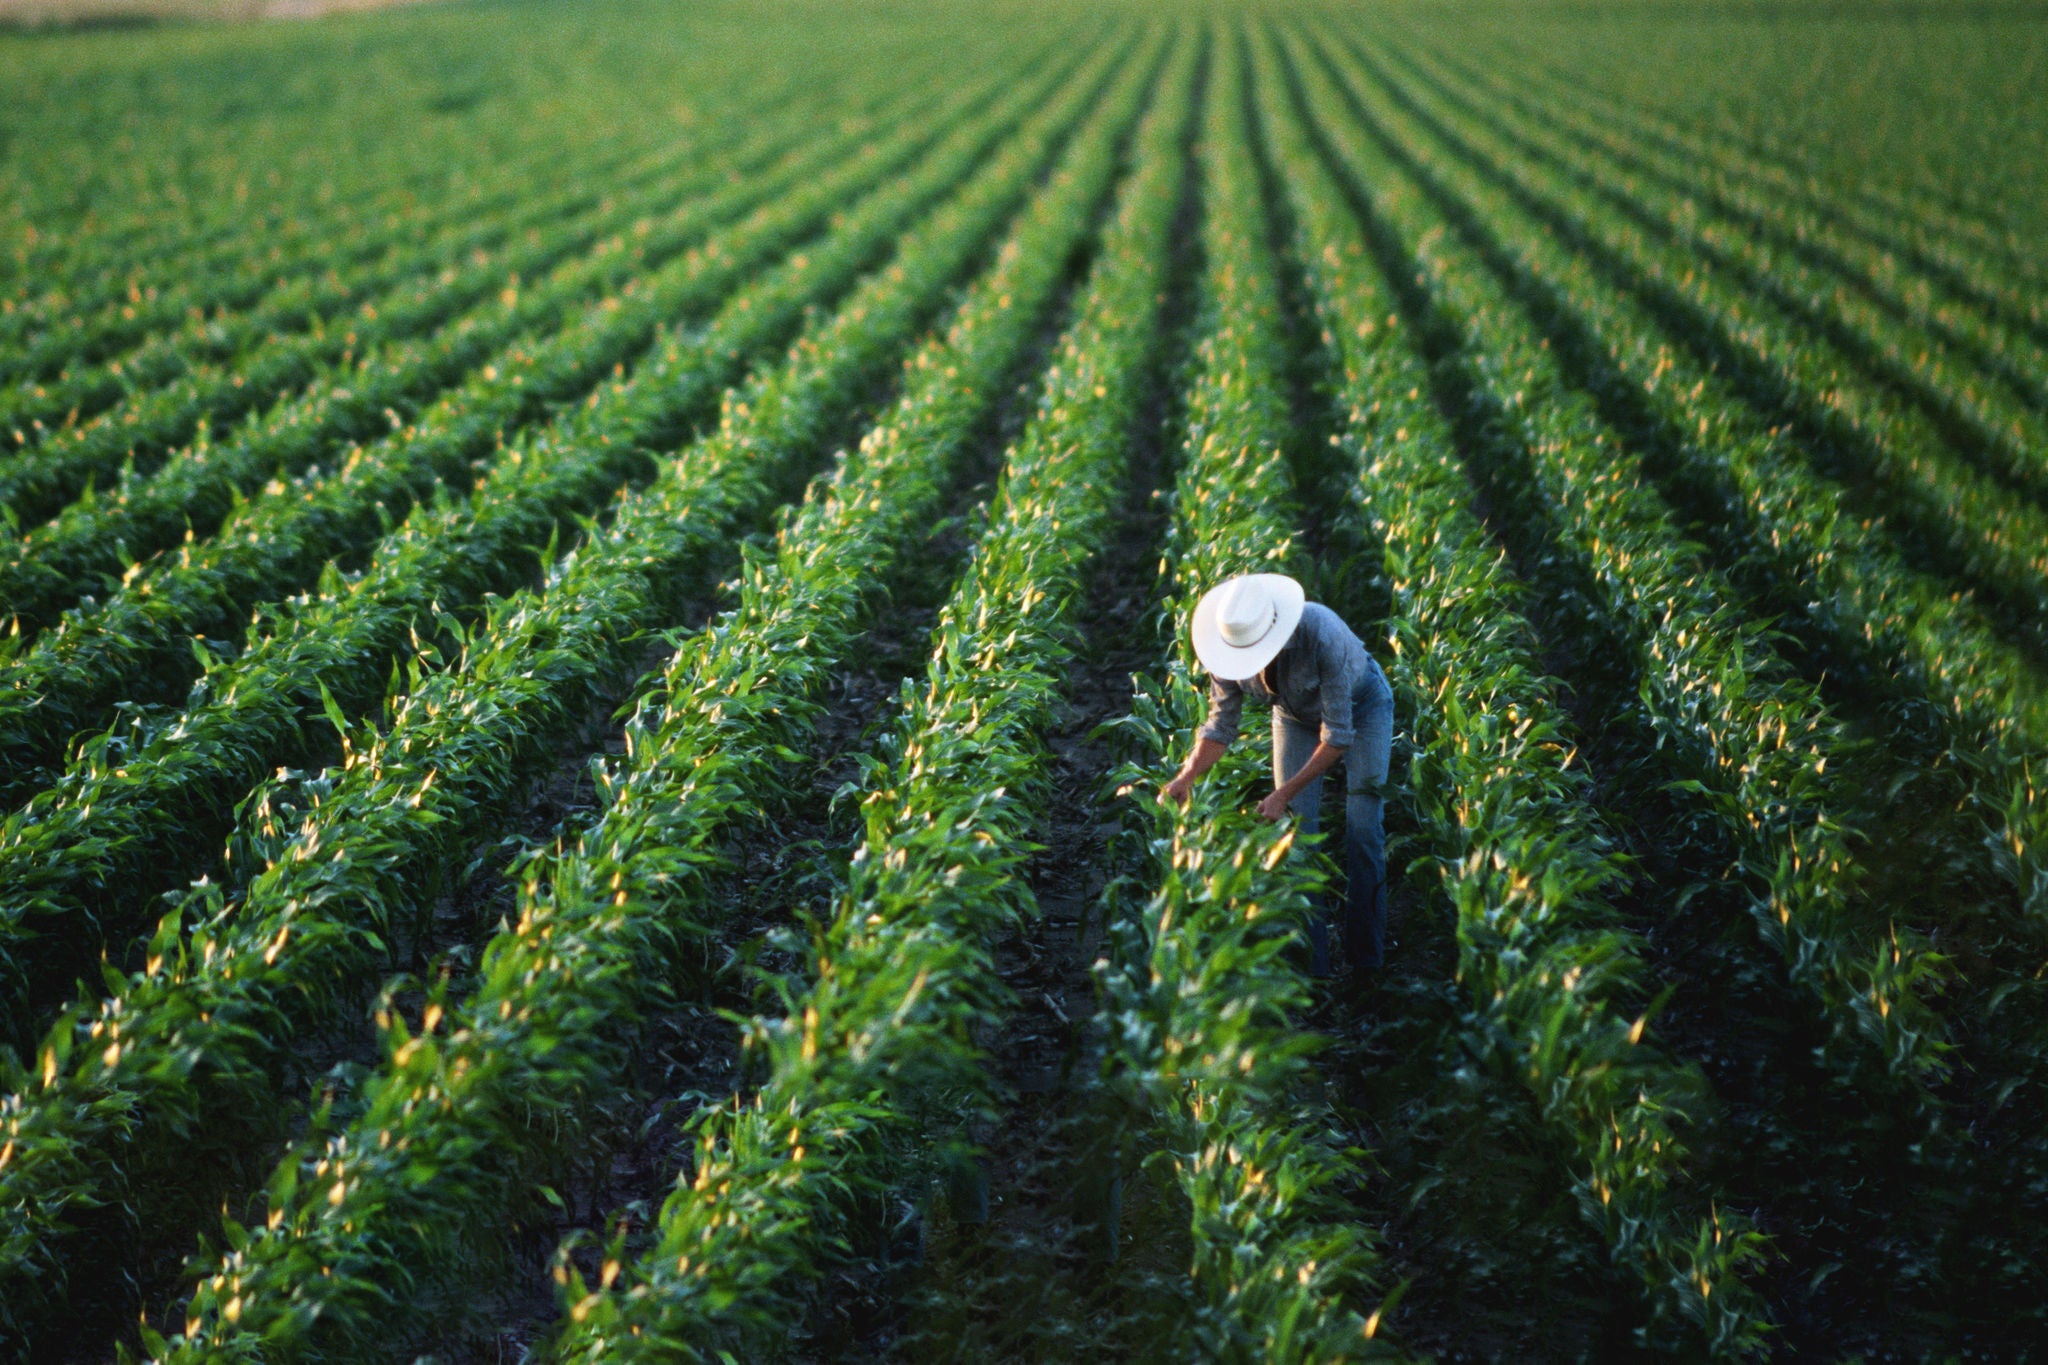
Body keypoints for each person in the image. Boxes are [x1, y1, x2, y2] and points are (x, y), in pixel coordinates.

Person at [1159, 573, 1394, 975]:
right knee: (1295, 836)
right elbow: (1220, 727)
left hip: (1363, 707)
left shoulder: (1322, 634)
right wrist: (1185, 778)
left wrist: (1282, 792)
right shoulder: (1224, 645)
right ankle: (1312, 969)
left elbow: (1338, 737)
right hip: (1293, 715)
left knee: (1363, 828)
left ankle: (1367, 962)